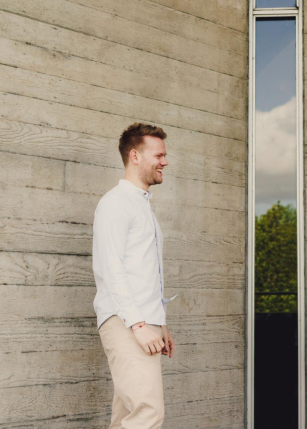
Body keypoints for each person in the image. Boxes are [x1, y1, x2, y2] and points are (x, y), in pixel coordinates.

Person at [92, 122, 179, 428]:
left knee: (126, 417)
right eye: (159, 155)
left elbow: (144, 271)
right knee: (147, 412)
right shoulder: (115, 204)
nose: (165, 161)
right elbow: (111, 269)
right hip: (126, 321)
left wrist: (159, 322)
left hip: (141, 320)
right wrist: (140, 325)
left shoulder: (142, 208)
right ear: (135, 156)